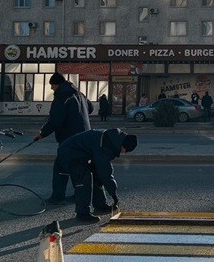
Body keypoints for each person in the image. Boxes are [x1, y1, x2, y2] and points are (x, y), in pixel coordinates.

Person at [54, 128, 138, 223]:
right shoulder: (107, 145)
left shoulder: (112, 139)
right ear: (123, 146)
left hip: (81, 153)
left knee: (97, 176)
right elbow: (106, 172)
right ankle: (82, 214)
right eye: (126, 151)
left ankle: (100, 204)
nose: (124, 153)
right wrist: (114, 194)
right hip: (70, 154)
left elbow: (102, 171)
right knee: (83, 180)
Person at [34, 73, 93, 204]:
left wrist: (42, 134)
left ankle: (57, 197)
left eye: (52, 85)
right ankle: (79, 195)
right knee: (78, 167)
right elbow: (90, 108)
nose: (51, 88)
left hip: (69, 140)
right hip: (85, 137)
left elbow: (55, 121)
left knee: (60, 168)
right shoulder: (79, 94)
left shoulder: (61, 97)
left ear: (57, 84)